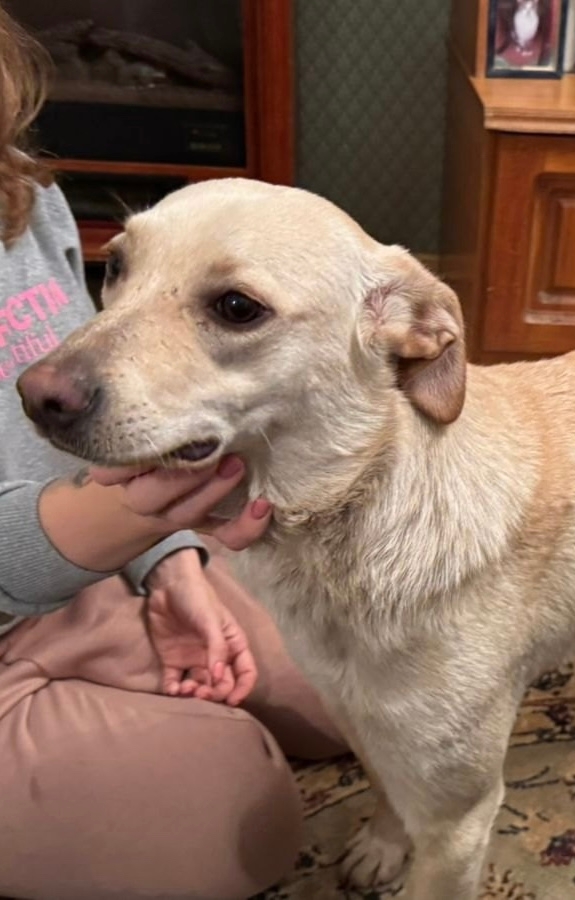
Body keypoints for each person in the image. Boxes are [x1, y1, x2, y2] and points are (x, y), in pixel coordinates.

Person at [0, 7, 345, 899]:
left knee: (348, 692)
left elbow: (104, 402)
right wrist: (102, 528)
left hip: (90, 562)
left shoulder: (19, 188)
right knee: (243, 813)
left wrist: (168, 560)